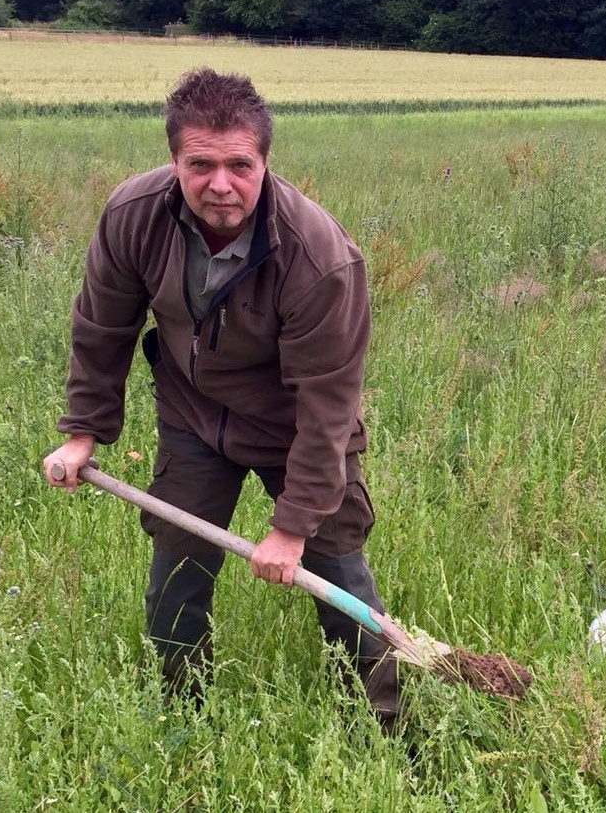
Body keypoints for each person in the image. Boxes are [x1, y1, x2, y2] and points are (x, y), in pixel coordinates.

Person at [42, 67, 399, 729]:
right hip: (193, 415)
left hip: (297, 429)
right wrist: (83, 430)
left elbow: (327, 406)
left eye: (240, 164)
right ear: (174, 160)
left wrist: (290, 528)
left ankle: (388, 722)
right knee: (175, 565)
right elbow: (102, 327)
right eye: (200, 164)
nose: (221, 184)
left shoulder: (319, 256)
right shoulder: (132, 216)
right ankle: (183, 717)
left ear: (265, 160)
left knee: (338, 572)